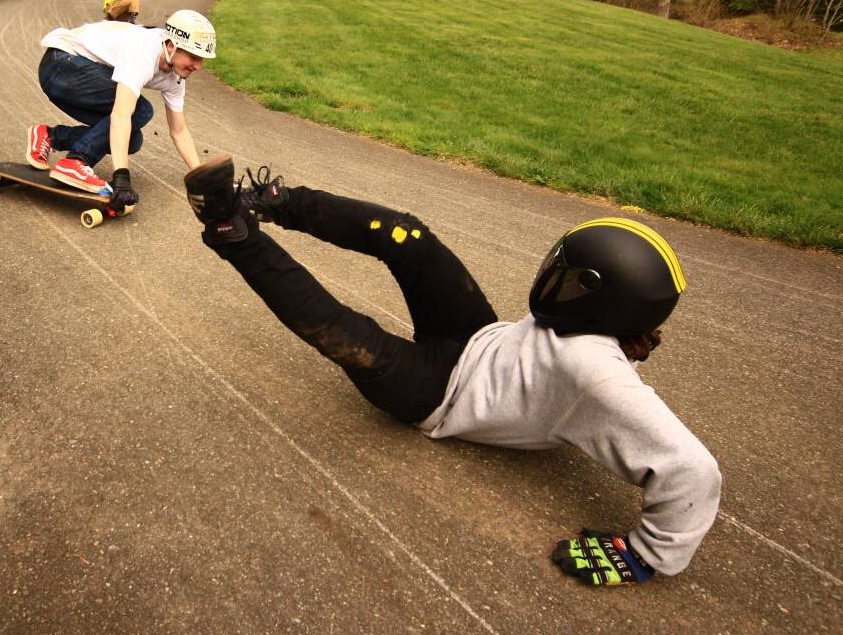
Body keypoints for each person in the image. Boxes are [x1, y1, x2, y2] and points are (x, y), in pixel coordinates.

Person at [181, 154, 723, 587]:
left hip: (437, 396)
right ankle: (272, 203)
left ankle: (232, 228)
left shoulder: (598, 376)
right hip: (477, 337)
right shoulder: (599, 330)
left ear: (605, 306)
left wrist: (646, 554)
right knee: (407, 237)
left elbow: (694, 471)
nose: (552, 278)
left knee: (336, 326)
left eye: (569, 278)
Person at [25, 10, 217, 212]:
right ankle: (76, 161)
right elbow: (121, 115)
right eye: (194, 57)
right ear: (171, 46)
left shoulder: (175, 77)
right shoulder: (144, 50)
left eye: (202, 58)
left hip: (71, 77)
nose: (198, 66)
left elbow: (179, 131)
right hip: (60, 65)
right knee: (141, 110)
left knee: (132, 141)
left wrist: (200, 175)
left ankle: (50, 136)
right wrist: (121, 177)